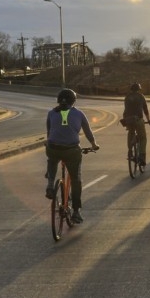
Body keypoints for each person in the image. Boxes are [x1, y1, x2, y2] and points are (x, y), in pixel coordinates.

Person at [44, 88, 99, 222]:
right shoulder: (79, 114)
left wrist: (50, 142)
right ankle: (76, 211)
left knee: (52, 158)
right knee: (76, 179)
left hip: (53, 147)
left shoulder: (51, 113)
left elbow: (49, 132)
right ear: (73, 101)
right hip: (71, 150)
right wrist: (93, 145)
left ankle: (50, 184)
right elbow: (87, 132)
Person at [121, 82, 150, 166]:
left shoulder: (127, 97)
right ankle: (142, 157)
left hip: (128, 119)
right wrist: (149, 120)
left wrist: (125, 120)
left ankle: (130, 151)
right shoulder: (141, 96)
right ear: (139, 89)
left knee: (130, 133)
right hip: (138, 119)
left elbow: (126, 110)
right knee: (143, 138)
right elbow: (145, 109)